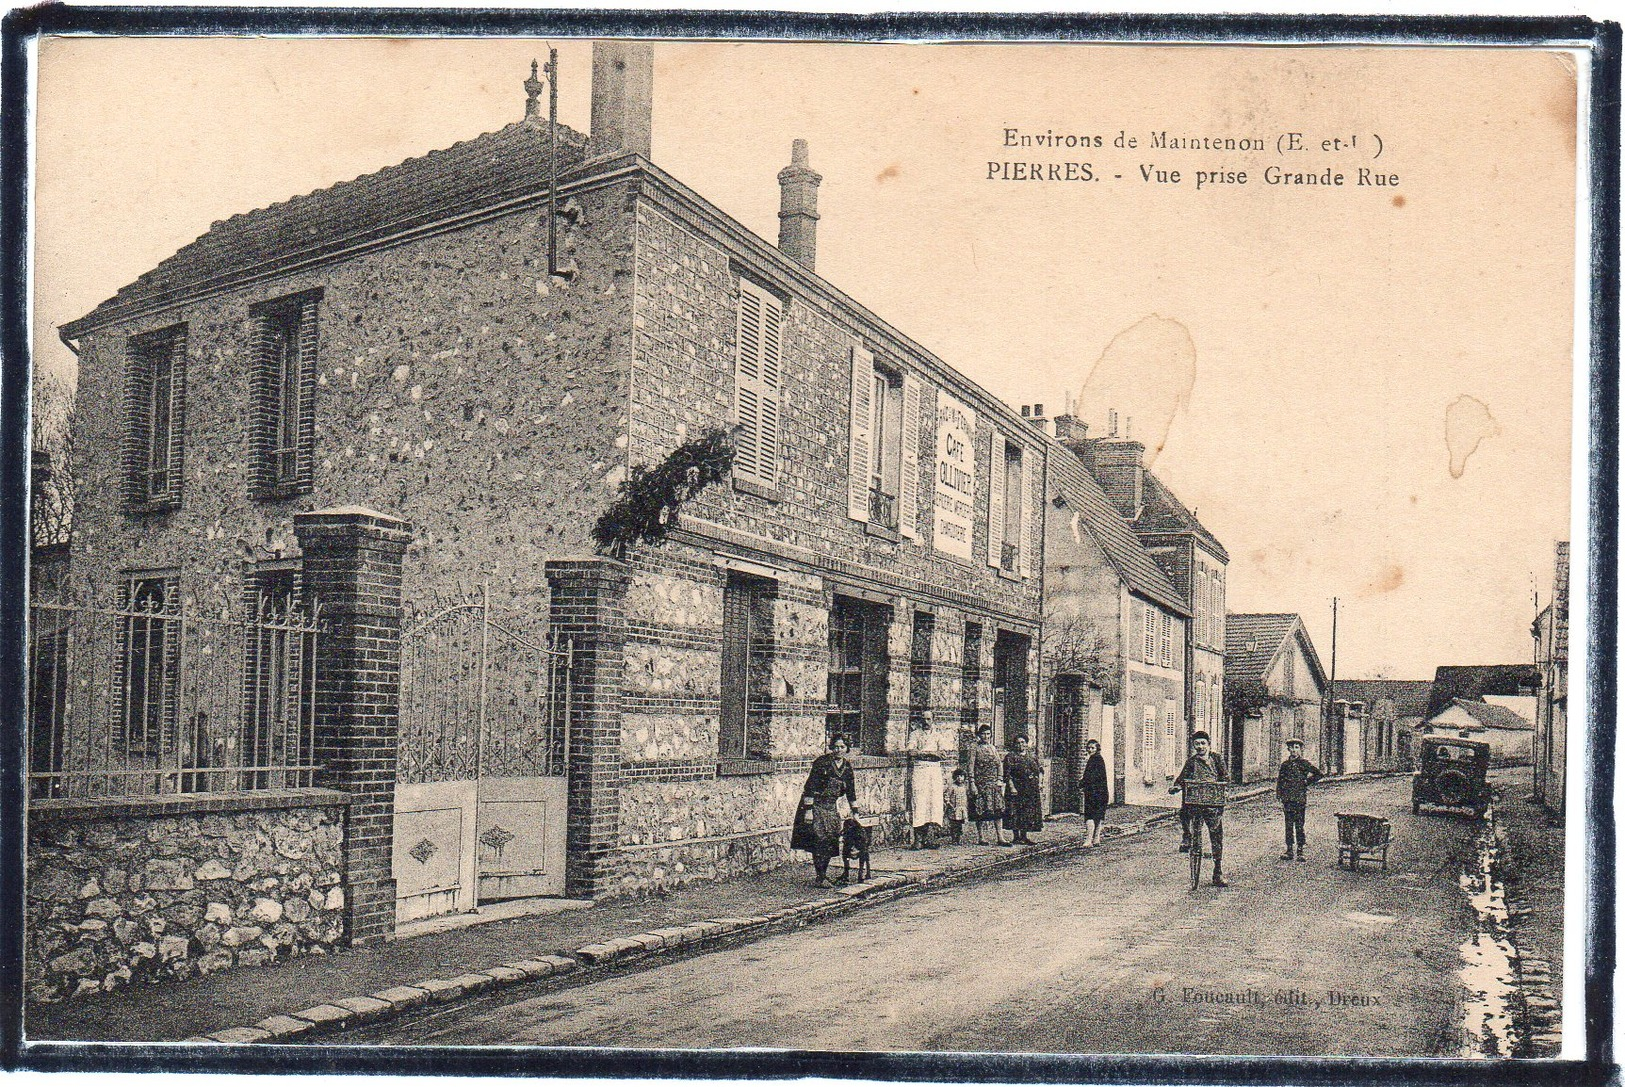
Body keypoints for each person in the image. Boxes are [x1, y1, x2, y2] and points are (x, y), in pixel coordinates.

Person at [790, 734, 858, 886]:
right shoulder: (822, 763)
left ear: (847, 748)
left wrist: (856, 812)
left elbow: (851, 791)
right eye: (835, 747)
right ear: (831, 747)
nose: (838, 750)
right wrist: (808, 811)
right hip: (816, 805)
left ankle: (824, 874)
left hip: (830, 806)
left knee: (831, 840)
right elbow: (810, 787)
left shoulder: (847, 767)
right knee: (819, 840)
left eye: (842, 747)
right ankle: (820, 876)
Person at [1171, 730, 1228, 887]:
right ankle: (1194, 873)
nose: (1200, 746)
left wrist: (1223, 789)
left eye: (1203, 743)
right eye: (1197, 744)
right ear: (1194, 745)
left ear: (1208, 744)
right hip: (1196, 805)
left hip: (1213, 805)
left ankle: (1218, 871)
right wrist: (1176, 786)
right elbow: (1182, 778)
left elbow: (1225, 777)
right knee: (1194, 836)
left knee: (1216, 837)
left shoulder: (1216, 759)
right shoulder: (1191, 762)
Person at [1277, 737, 1324, 861]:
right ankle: (1289, 850)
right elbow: (1280, 781)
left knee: (1299, 824)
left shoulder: (1304, 763)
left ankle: (1300, 850)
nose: (1294, 750)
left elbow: (1319, 774)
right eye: (1292, 747)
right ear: (1288, 749)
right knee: (1288, 824)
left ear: (1300, 749)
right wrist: (1280, 795)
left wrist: (1306, 781)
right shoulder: (1285, 765)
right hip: (1287, 799)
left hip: (1299, 798)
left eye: (1296, 747)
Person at [906, 711, 948, 848]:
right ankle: (918, 839)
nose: (926, 722)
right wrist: (930, 753)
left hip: (934, 771)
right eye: (924, 719)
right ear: (920, 720)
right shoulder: (915, 734)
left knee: (934, 803)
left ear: (933, 720)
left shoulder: (938, 735)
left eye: (929, 719)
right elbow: (911, 752)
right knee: (919, 801)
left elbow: (942, 755)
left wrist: (923, 754)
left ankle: (930, 838)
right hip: (920, 770)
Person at [967, 724, 1008, 845]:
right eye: (983, 734)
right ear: (979, 735)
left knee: (998, 810)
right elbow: (970, 766)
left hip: (993, 783)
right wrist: (972, 783)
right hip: (980, 783)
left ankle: (1000, 837)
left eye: (988, 734)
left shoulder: (992, 748)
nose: (986, 736)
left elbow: (999, 764)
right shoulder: (974, 748)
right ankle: (981, 837)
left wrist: (1000, 779)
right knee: (980, 810)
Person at [1002, 734, 1045, 845]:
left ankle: (1024, 836)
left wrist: (1039, 783)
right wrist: (1012, 787)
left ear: (1026, 744)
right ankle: (1016, 837)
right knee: (1015, 811)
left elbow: (1039, 770)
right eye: (1018, 743)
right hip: (1016, 788)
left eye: (1023, 742)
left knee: (1027, 811)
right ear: (1015, 744)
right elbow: (1007, 774)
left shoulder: (1032, 756)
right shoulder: (1010, 757)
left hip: (1030, 788)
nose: (1020, 745)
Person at [1081, 738, 1110, 846]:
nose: (1090, 750)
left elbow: (1090, 778)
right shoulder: (1100, 759)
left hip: (1093, 794)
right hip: (1102, 793)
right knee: (1098, 817)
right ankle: (1096, 839)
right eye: (1088, 748)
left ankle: (1088, 840)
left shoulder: (1093, 760)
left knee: (1089, 816)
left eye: (1092, 748)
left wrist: (1081, 783)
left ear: (1097, 748)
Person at [944, 769, 970, 844]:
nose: (959, 778)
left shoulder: (965, 787)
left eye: (961, 776)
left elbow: (966, 796)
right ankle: (954, 839)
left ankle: (958, 838)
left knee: (960, 825)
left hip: (962, 809)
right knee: (954, 824)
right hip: (954, 809)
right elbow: (947, 795)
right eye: (957, 776)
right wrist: (948, 803)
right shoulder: (952, 786)